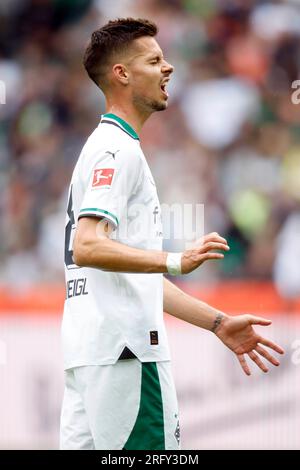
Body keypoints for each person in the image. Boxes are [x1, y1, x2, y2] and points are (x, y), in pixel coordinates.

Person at [60, 18, 284, 450]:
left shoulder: (102, 146)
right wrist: (176, 260)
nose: (169, 68)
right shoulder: (117, 150)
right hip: (128, 355)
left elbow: (132, 276)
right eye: (155, 60)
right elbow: (86, 245)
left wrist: (216, 323)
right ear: (121, 74)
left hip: (91, 354)